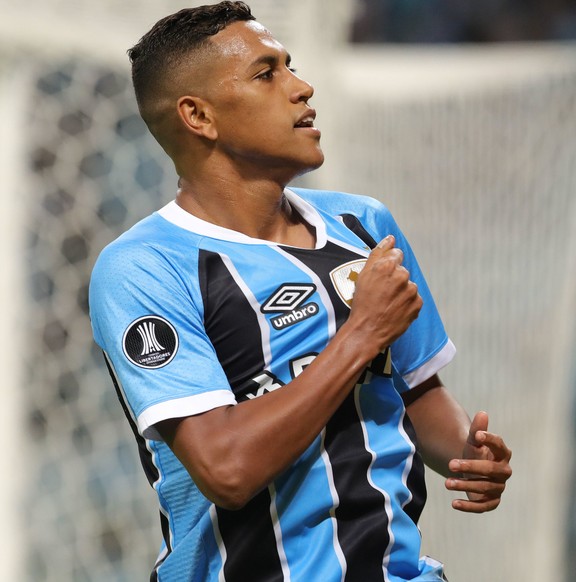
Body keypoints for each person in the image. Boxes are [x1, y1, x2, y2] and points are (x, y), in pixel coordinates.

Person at [88, 2, 512, 581]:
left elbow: (417, 391)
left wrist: (467, 453)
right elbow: (227, 470)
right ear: (198, 116)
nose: (302, 86)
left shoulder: (364, 224)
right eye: (267, 73)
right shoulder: (145, 268)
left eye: (291, 66)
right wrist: (359, 334)